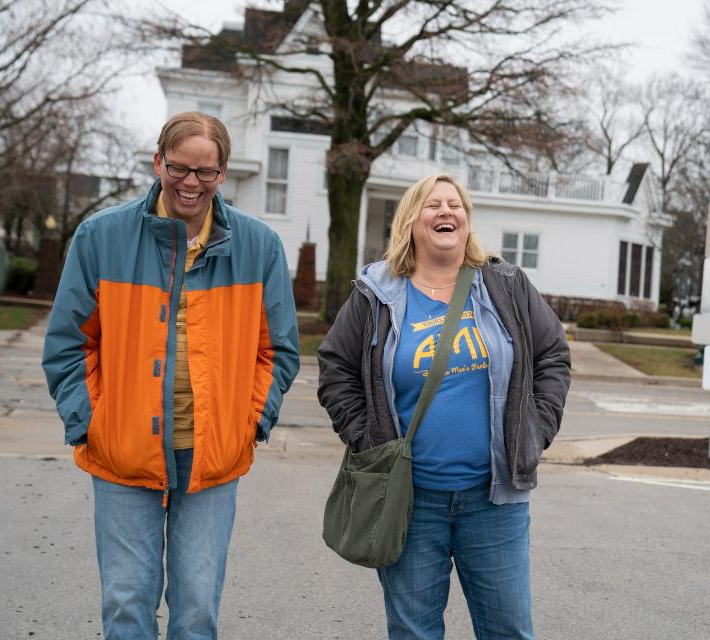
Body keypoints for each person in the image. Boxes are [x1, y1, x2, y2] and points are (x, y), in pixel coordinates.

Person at [42, 111, 300, 639]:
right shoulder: (100, 238)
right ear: (159, 161)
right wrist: (92, 421)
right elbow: (69, 344)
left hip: (212, 458)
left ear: (222, 174)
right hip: (123, 454)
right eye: (180, 168)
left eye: (205, 172)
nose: (191, 183)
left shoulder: (260, 247)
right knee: (125, 606)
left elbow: (277, 352)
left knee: (198, 608)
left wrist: (247, 424)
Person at [317, 173, 571, 639]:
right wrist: (369, 440)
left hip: (494, 499)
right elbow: (335, 369)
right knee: (414, 633)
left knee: (509, 631)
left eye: (455, 205)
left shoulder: (506, 285)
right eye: (432, 205)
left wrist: (537, 428)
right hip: (408, 502)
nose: (446, 212)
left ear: (467, 221)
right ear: (411, 221)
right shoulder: (376, 293)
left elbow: (553, 355)